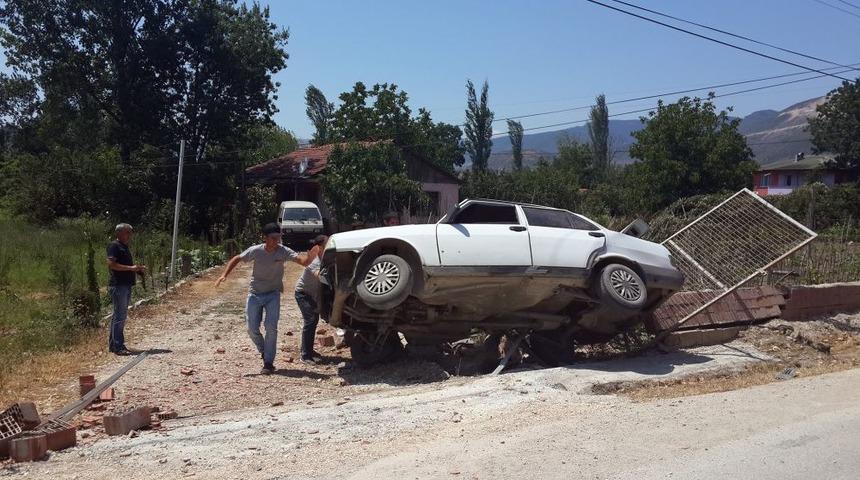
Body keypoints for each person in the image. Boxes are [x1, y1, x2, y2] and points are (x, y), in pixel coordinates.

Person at [215, 223, 320, 374]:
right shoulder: (256, 251)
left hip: (273, 294)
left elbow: (302, 262)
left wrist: (311, 256)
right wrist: (224, 275)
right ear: (265, 238)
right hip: (255, 294)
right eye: (273, 238)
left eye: (279, 237)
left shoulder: (283, 251)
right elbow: (237, 258)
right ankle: (264, 350)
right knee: (251, 329)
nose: (277, 241)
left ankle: (268, 363)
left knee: (271, 328)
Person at [106, 223, 146, 356]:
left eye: (130, 232)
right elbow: (112, 265)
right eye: (127, 232)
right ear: (119, 233)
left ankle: (114, 345)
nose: (130, 235)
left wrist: (137, 270)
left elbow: (127, 266)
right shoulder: (114, 246)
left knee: (119, 315)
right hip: (119, 285)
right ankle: (118, 346)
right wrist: (131, 268)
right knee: (120, 315)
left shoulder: (124, 247)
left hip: (126, 284)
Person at [294, 235, 328, 364]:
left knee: (313, 321)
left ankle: (309, 350)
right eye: (327, 244)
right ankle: (305, 355)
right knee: (310, 320)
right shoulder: (314, 262)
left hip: (312, 294)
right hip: (302, 293)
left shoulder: (325, 258)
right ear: (319, 247)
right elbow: (319, 276)